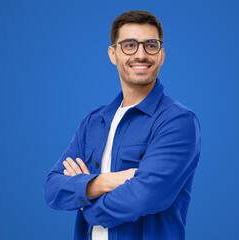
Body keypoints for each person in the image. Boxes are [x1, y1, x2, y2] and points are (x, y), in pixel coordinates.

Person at [43, 10, 201, 240]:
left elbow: (145, 196)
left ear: (162, 55)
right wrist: (110, 180)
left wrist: (84, 199)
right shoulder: (93, 121)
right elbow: (52, 189)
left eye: (151, 45)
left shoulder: (177, 121)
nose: (141, 54)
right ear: (113, 54)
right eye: (129, 45)